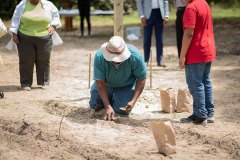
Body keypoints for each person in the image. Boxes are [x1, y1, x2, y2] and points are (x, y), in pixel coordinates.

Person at [89, 36, 147, 121]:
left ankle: (116, 100)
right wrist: (107, 106)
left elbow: (141, 79)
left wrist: (133, 101)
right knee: (96, 105)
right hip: (106, 85)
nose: (116, 61)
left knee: (122, 111)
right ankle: (109, 101)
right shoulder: (99, 56)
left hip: (126, 86)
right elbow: (100, 83)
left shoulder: (135, 57)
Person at [9, 0, 61, 91]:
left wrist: (53, 26)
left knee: (44, 59)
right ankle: (26, 83)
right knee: (26, 60)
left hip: (44, 36)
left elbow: (56, 16)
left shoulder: (48, 4)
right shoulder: (22, 4)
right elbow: (15, 19)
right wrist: (14, 33)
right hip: (25, 36)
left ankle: (44, 82)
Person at [179, 0, 216, 124]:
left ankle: (200, 115)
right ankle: (209, 113)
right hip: (207, 49)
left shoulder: (191, 8)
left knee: (195, 84)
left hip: (196, 51)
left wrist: (182, 56)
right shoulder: (204, 3)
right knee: (205, 81)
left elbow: (189, 33)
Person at [137, 0, 169, 67]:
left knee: (160, 39)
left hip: (159, 13)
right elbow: (139, 2)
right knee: (147, 39)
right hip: (147, 14)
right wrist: (142, 16)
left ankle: (160, 60)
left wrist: (166, 15)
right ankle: (146, 60)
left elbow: (165, 1)